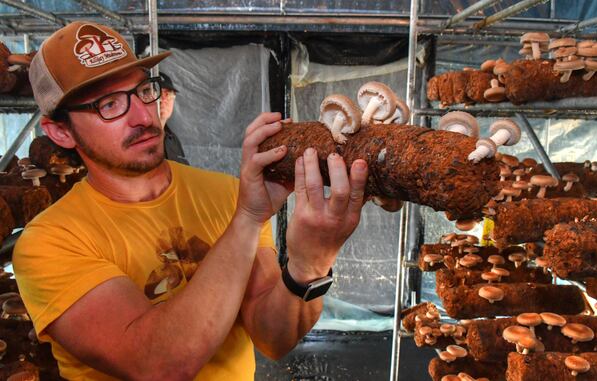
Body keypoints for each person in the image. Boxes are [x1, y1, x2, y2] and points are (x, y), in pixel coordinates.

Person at [13, 21, 368, 381]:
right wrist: (247, 219)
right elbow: (159, 364)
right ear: (60, 131)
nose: (142, 116)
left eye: (143, 91)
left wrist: (310, 263)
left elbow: (273, 338)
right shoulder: (49, 242)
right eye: (109, 104)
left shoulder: (228, 194)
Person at [157, 72, 189, 165]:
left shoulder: (172, 140)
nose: (163, 99)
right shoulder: (140, 140)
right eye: (157, 92)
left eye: (168, 94)